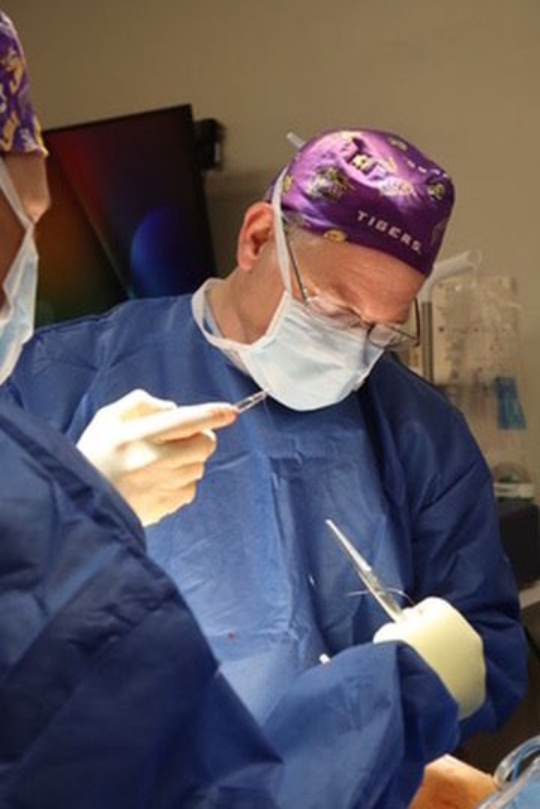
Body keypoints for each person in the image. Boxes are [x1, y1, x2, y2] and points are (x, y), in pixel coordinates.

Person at [0, 14, 487, 807]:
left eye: (381, 330)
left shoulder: (413, 428)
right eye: (334, 309)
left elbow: (483, 647)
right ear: (257, 239)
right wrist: (79, 504)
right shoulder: (54, 381)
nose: (352, 347)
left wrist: (417, 708)